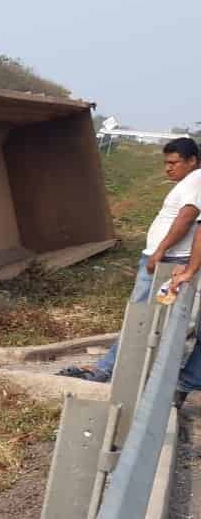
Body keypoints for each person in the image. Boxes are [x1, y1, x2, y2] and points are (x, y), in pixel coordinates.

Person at [59, 137, 201, 384]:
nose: (168, 168)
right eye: (166, 163)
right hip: (166, 258)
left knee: (140, 316)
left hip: (165, 261)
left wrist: (159, 252)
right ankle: (117, 369)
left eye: (174, 163)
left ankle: (107, 370)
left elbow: (187, 219)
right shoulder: (189, 181)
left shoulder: (195, 182)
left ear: (192, 161)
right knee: (145, 317)